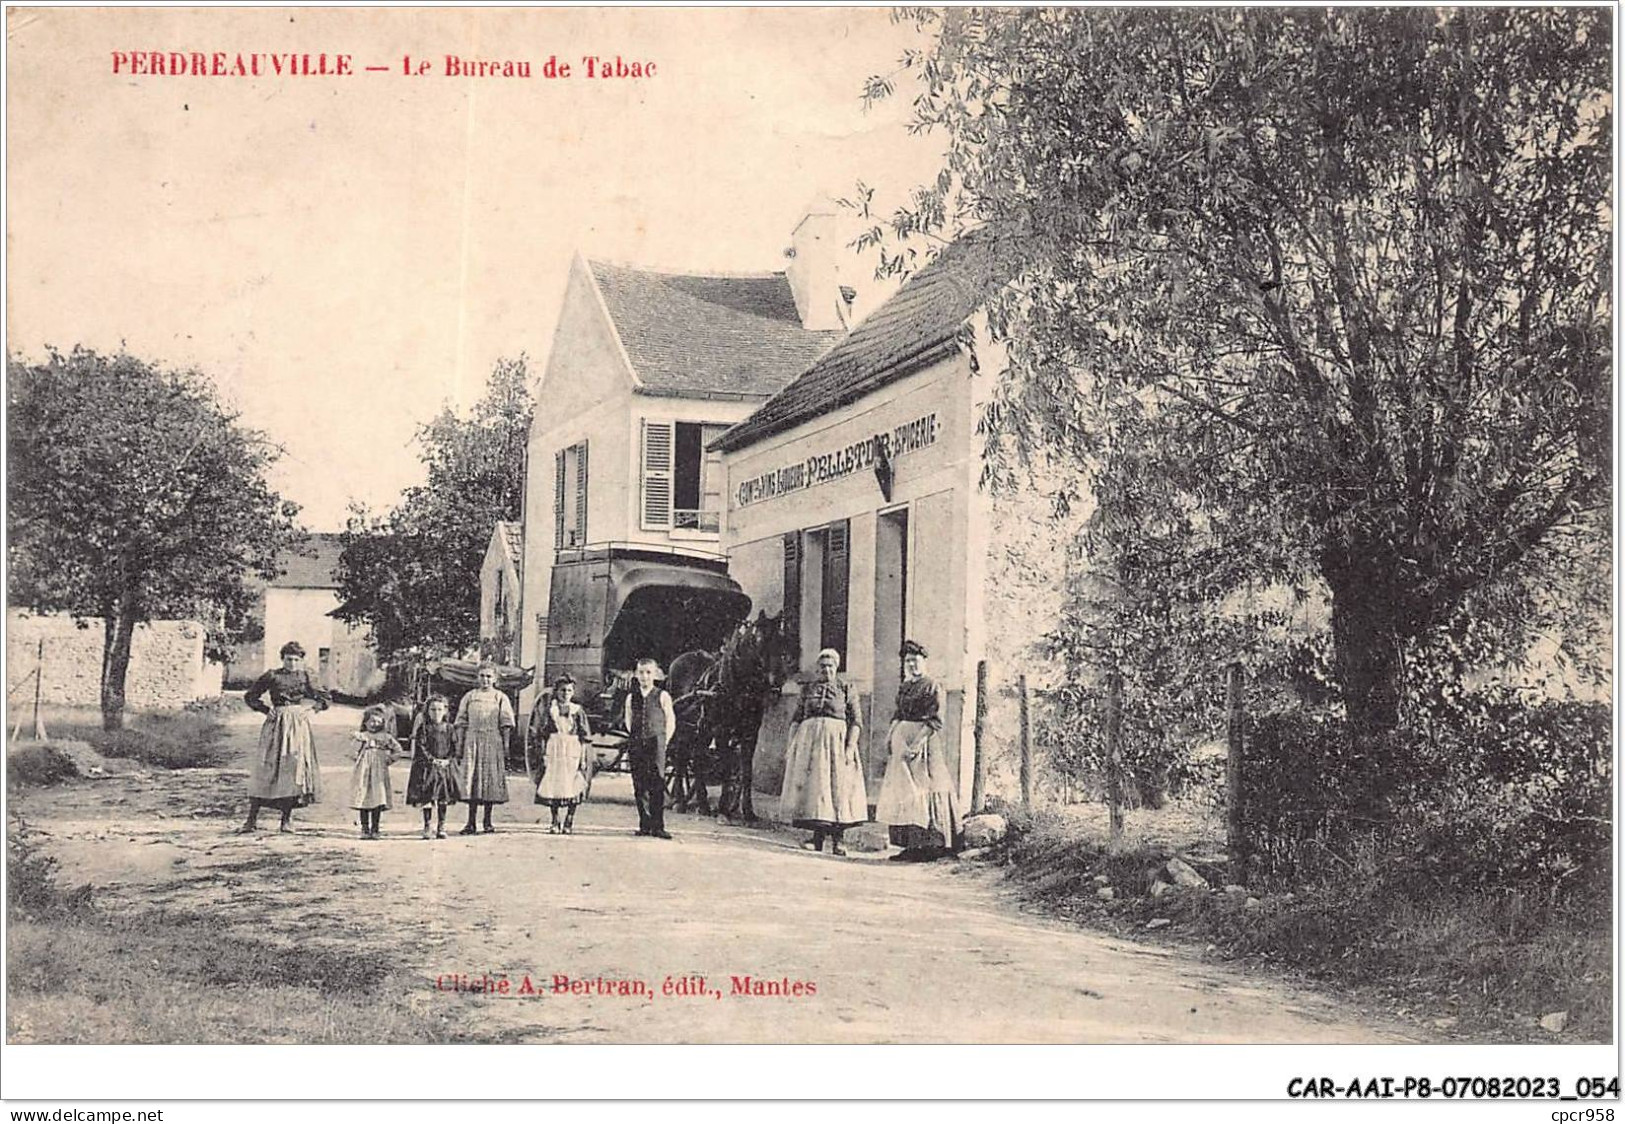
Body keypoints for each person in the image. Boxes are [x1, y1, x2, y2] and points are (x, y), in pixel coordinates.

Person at [874, 640, 962, 861]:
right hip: (902, 741)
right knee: (905, 789)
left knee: (926, 785)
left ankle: (932, 844)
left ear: (924, 661)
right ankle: (911, 846)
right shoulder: (905, 687)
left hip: (924, 741)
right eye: (907, 662)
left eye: (915, 661)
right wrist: (890, 736)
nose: (911, 665)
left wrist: (918, 744)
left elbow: (935, 721)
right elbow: (898, 714)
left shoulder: (932, 686)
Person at [779, 648, 866, 856]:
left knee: (838, 790)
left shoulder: (846, 688)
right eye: (823, 666)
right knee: (816, 790)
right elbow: (796, 719)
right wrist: (792, 746)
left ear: (837, 668)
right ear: (818, 669)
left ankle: (839, 841)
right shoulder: (808, 689)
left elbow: (856, 722)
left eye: (830, 666)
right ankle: (817, 839)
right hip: (811, 744)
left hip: (837, 743)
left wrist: (850, 747)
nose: (826, 670)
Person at [237, 641, 330, 833]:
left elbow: (325, 698)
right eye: (289, 659)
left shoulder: (306, 677)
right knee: (266, 768)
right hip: (275, 725)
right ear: (283, 659)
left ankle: (286, 820)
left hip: (297, 725)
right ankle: (251, 819)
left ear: (301, 660)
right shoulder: (273, 675)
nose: (292, 663)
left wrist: (312, 710)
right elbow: (250, 696)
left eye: (296, 660)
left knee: (292, 769)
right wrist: (265, 710)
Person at [456, 663, 515, 835]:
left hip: (492, 741)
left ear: (495, 679)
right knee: (473, 780)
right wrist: (460, 745)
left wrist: (505, 745)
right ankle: (471, 822)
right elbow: (461, 722)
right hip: (472, 740)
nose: (485, 680)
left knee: (489, 780)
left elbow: (506, 723)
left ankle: (487, 821)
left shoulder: (500, 697)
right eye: (482, 676)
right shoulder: (470, 696)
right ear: (477, 678)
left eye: (489, 676)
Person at [623, 657, 676, 839]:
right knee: (639, 784)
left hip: (656, 744)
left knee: (657, 783)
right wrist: (637, 737)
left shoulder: (662, 696)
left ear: (654, 674)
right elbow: (628, 721)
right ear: (636, 675)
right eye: (641, 673)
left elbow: (670, 721)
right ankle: (644, 824)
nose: (644, 676)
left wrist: (663, 741)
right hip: (637, 744)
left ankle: (658, 826)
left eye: (648, 673)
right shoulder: (631, 698)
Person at [534, 676, 594, 834]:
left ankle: (569, 820)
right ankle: (555, 820)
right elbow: (543, 733)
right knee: (555, 783)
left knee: (572, 783)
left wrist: (583, 758)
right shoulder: (551, 710)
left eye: (569, 690)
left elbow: (584, 736)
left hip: (572, 748)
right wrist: (544, 753)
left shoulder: (577, 711)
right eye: (562, 690)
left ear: (573, 692)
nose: (565, 693)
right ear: (557, 692)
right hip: (554, 748)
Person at [406, 695, 462, 839]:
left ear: (445, 711)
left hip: (444, 767)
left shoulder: (449, 728)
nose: (436, 713)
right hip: (427, 767)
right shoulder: (424, 728)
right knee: (427, 797)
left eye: (439, 709)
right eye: (433, 710)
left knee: (442, 797)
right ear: (427, 711)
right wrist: (432, 760)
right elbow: (421, 746)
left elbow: (454, 747)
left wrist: (447, 760)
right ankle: (427, 825)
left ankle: (441, 825)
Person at [350, 704, 400, 839]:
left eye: (378, 722)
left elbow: (398, 750)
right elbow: (351, 752)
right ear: (365, 722)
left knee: (378, 798)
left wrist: (388, 760)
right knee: (364, 798)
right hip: (364, 773)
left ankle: (375, 828)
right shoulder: (362, 736)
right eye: (371, 721)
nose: (374, 724)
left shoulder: (386, 737)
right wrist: (357, 755)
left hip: (379, 773)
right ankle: (364, 829)